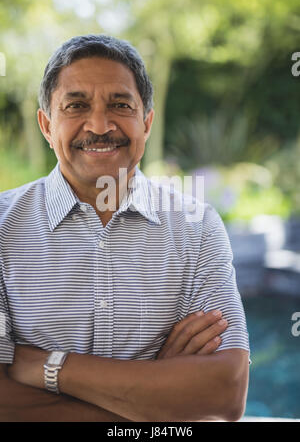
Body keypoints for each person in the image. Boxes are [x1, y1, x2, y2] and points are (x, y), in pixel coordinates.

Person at [0, 34, 250, 422]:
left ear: (146, 122)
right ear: (46, 126)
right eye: (76, 105)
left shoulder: (197, 228)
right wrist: (155, 396)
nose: (99, 125)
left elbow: (226, 391)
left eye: (120, 105)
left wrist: (46, 367)